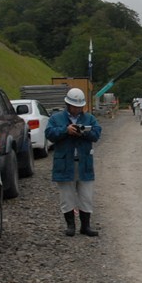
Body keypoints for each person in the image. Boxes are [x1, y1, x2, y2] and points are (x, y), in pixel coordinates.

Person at [45, 88, 102, 237]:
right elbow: (49, 134)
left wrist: (85, 132)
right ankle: (70, 226)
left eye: (79, 106)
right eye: (74, 106)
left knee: (86, 196)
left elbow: (96, 134)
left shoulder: (89, 118)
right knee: (67, 196)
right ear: (68, 105)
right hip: (65, 163)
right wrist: (65, 130)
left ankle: (86, 226)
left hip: (84, 163)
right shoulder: (56, 118)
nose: (77, 109)